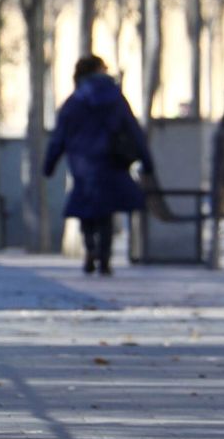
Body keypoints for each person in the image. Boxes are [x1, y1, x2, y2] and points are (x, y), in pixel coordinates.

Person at [43, 55, 154, 275]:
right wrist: (146, 160)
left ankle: (90, 249)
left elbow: (59, 136)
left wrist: (50, 164)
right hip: (111, 161)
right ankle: (104, 257)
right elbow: (133, 129)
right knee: (106, 211)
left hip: (81, 163)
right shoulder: (115, 98)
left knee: (87, 208)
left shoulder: (73, 102)